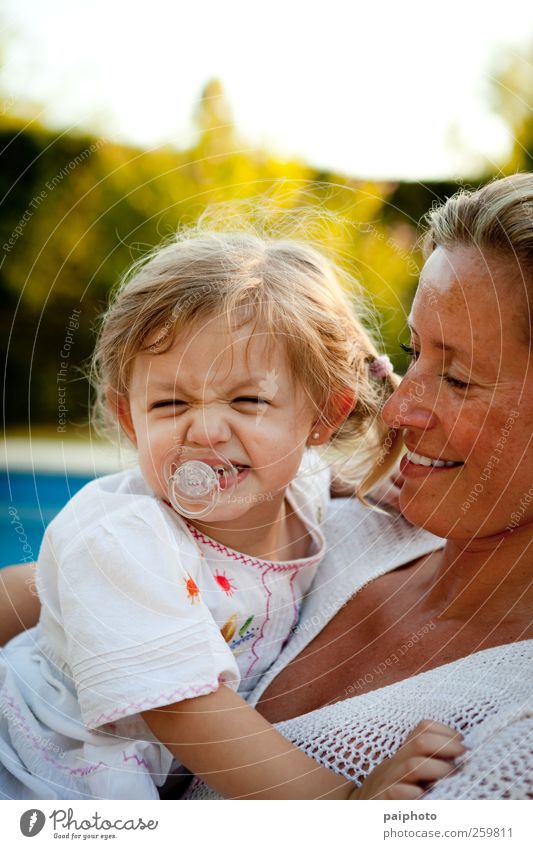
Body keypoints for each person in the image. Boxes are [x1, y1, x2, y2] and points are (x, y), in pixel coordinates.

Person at [0, 230, 463, 800]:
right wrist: (339, 801)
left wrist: (397, 481)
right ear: (130, 419)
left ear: (320, 415)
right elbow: (191, 711)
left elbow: (328, 477)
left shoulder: (306, 492)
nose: (206, 431)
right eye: (170, 404)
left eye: (248, 401)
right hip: (32, 777)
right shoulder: (123, 540)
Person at [183, 173, 533, 800]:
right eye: (413, 351)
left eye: (457, 379)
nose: (397, 410)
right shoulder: (337, 525)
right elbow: (56, 586)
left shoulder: (516, 736)